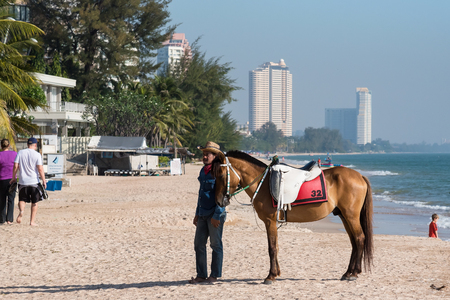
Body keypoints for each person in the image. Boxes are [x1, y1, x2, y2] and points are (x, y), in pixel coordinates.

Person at [189, 141, 227, 284]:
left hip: (215, 214)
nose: (204, 157)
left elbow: (222, 196)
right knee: (199, 244)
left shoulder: (220, 172)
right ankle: (201, 275)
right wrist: (197, 214)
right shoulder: (203, 170)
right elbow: (201, 194)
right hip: (203, 213)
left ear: (215, 156)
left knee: (215, 245)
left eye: (207, 154)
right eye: (203, 154)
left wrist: (217, 215)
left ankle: (214, 275)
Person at [10, 137, 46, 226]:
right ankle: (32, 221)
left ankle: (21, 211)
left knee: (22, 199)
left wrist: (13, 177)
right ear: (35, 145)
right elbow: (40, 169)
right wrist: (44, 180)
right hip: (34, 181)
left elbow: (15, 166)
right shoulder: (37, 154)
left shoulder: (20, 152)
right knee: (35, 202)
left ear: (27, 144)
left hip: (23, 181)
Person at [0, 139, 17, 225]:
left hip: (2, 180)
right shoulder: (14, 154)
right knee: (11, 199)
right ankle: (9, 219)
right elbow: (17, 165)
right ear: (9, 145)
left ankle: (2, 219)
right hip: (12, 179)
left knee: (2, 200)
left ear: (1, 146)